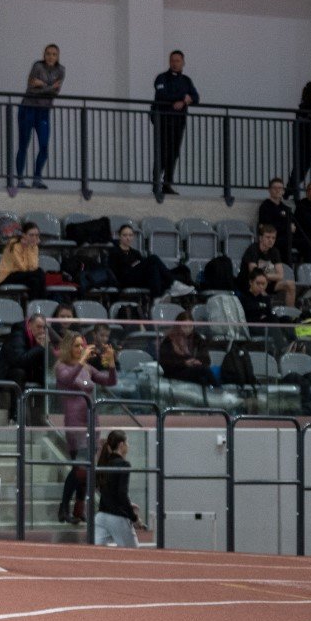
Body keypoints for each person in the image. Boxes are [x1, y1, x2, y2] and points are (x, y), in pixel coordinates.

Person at [55, 330, 116, 524]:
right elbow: (66, 380)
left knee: (86, 469)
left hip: (91, 422)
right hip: (75, 423)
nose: (81, 349)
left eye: (82, 345)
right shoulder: (61, 366)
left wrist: (112, 364)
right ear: (67, 348)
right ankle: (63, 508)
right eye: (76, 346)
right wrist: (81, 360)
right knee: (80, 468)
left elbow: (110, 381)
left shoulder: (88, 368)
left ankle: (77, 511)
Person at [16, 43, 64, 189]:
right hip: (28, 108)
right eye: (48, 54)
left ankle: (37, 178)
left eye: (54, 54)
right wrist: (49, 87)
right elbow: (31, 89)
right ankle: (20, 179)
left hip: (43, 111)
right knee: (24, 143)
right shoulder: (37, 66)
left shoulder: (61, 70)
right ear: (44, 55)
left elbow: (55, 92)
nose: (50, 57)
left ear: (57, 57)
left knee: (43, 145)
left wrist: (42, 85)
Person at [151, 50, 198, 195]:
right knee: (161, 152)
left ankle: (167, 183)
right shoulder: (161, 78)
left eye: (178, 61)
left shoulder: (186, 80)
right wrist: (183, 98)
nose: (175, 63)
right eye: (172, 60)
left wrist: (184, 101)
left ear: (183, 63)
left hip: (178, 122)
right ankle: (156, 182)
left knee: (174, 153)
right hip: (163, 120)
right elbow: (162, 94)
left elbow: (196, 97)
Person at [107, 222, 190, 298]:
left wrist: (137, 266)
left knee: (154, 268)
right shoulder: (114, 251)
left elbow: (143, 266)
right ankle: (172, 284)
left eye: (130, 235)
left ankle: (157, 298)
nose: (128, 238)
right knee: (153, 258)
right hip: (125, 279)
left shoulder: (135, 253)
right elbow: (116, 272)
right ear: (119, 236)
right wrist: (133, 266)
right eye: (124, 235)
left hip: (139, 278)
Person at [93, 430, 140, 548]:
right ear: (121, 445)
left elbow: (107, 490)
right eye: (127, 443)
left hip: (101, 516)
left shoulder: (104, 463)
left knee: (95, 555)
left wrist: (127, 503)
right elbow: (122, 493)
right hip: (117, 517)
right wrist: (134, 517)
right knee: (134, 555)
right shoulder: (123, 464)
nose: (128, 446)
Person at [255, 177, 311, 265]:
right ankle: (280, 272)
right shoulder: (265, 206)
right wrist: (287, 227)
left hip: (288, 238)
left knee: (308, 244)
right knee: (282, 247)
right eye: (275, 188)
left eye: (280, 188)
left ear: (283, 191)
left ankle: (304, 272)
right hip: (274, 239)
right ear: (269, 190)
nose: (278, 190)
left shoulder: (286, 208)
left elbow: (293, 224)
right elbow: (267, 226)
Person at [238, 223, 296, 307]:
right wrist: (270, 277)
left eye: (273, 238)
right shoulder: (253, 249)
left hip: (266, 282)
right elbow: (254, 274)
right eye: (268, 237)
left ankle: (291, 315)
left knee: (290, 285)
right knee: (261, 288)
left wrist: (267, 276)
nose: (271, 240)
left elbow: (280, 275)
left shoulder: (274, 251)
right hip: (249, 284)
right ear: (261, 238)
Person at [158, 311, 220, 387]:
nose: (188, 329)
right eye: (184, 327)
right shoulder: (169, 340)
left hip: (195, 370)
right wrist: (184, 363)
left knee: (202, 376)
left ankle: (214, 393)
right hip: (176, 372)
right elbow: (166, 362)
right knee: (203, 371)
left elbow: (206, 358)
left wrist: (198, 361)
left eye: (190, 327)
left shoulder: (197, 338)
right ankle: (219, 390)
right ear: (178, 326)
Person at [0, 220, 45, 300]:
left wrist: (30, 247)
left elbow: (33, 266)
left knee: (36, 279)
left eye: (37, 235)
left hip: (23, 275)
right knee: (39, 274)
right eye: (31, 235)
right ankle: (35, 305)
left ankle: (37, 305)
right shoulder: (14, 245)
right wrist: (26, 248)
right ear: (24, 235)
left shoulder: (33, 246)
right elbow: (23, 268)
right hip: (7, 276)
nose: (34, 238)